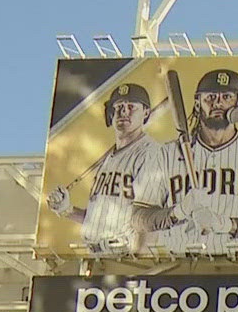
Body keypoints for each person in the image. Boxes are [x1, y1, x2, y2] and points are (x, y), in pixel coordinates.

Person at [146, 68, 238, 252]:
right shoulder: (167, 153)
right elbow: (140, 217)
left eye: (227, 97)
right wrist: (178, 212)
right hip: (178, 265)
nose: (218, 103)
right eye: (210, 97)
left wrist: (228, 225)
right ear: (197, 104)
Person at [47, 82, 163, 253]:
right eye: (119, 107)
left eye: (131, 106)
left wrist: (139, 263)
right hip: (94, 255)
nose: (124, 111)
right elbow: (98, 220)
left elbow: (150, 219)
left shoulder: (150, 154)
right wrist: (67, 210)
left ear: (146, 112)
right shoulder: (109, 159)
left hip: (124, 255)